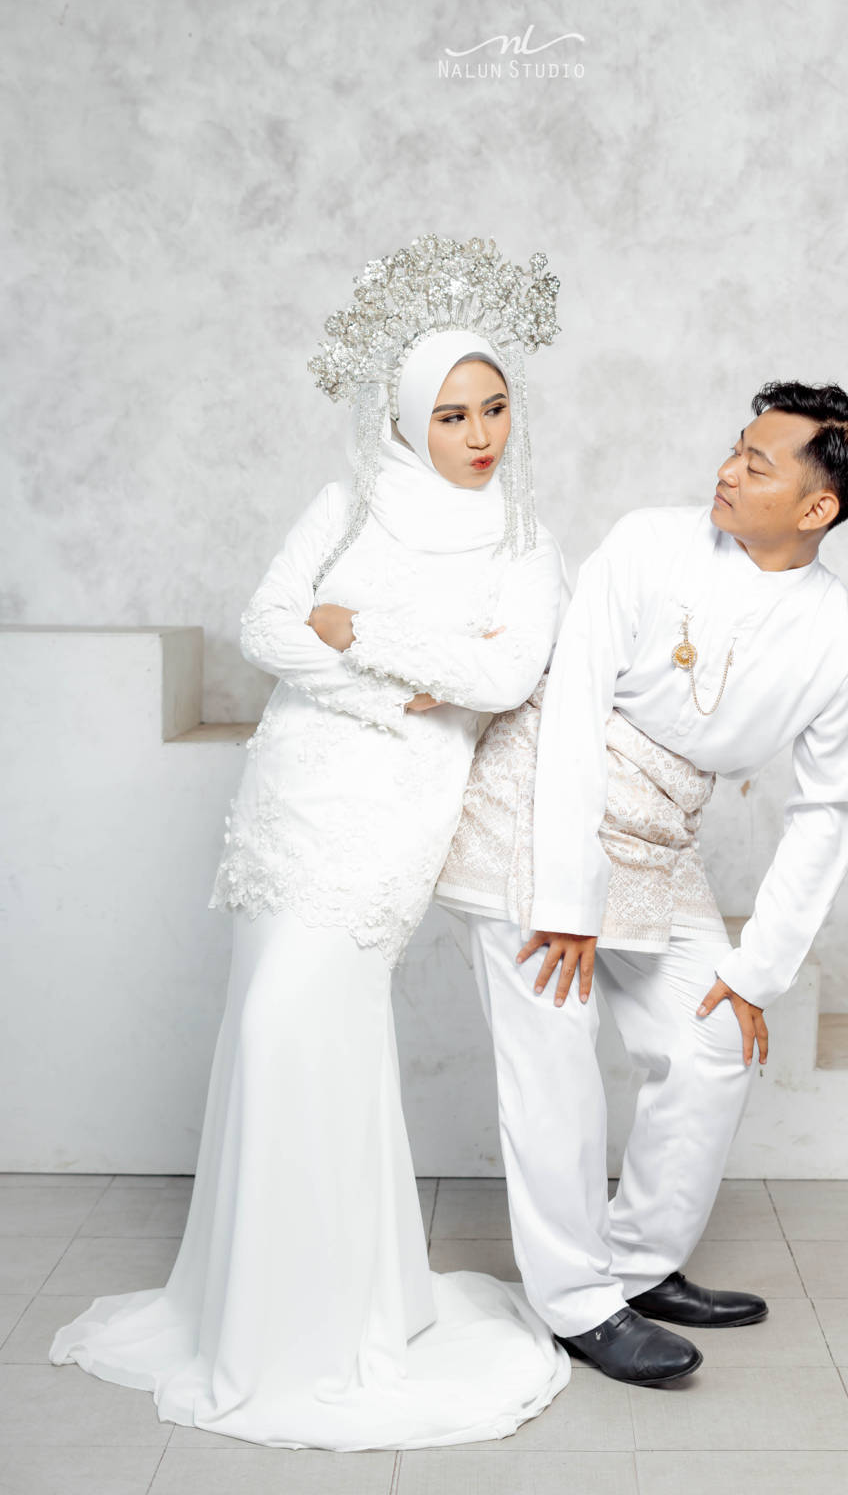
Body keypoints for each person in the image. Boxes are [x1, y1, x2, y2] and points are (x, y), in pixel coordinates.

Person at [50, 235, 572, 1448]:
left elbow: (501, 677)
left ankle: (333, 1319)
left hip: (391, 814)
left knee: (302, 1025)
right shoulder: (346, 503)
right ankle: (269, 1312)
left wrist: (364, 635)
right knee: (266, 1028)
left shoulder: (525, 541)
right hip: (293, 795)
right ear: (404, 418)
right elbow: (269, 627)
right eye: (450, 415)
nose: (479, 435)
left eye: (494, 408)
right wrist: (390, 687)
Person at [437, 380, 848, 1387]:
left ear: (817, 507)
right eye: (736, 447)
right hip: (538, 807)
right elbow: (569, 707)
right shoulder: (650, 540)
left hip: (658, 832)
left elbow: (832, 809)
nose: (726, 470)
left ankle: (637, 1266)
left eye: (758, 465)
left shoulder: (846, 642)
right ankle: (575, 1302)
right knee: (553, 1058)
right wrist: (566, 900)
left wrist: (759, 967)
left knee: (714, 1035)